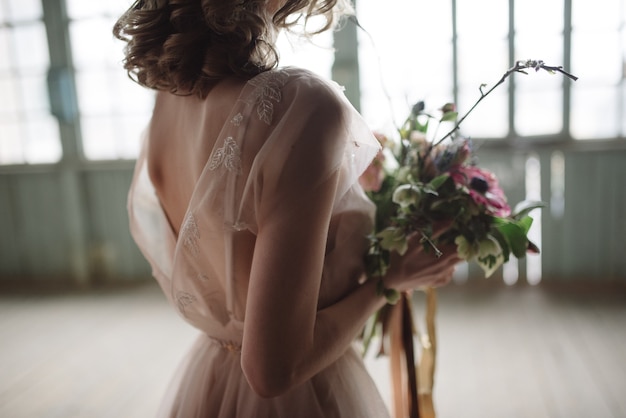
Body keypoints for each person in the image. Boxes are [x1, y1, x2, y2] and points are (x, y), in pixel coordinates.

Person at [115, 0, 459, 416]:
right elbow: (272, 370)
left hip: (211, 378)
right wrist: (388, 283)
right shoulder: (300, 106)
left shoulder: (167, 98)